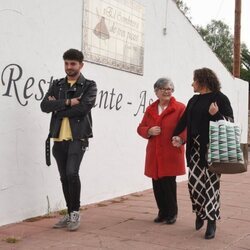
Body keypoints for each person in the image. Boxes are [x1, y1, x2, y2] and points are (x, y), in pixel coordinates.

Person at [172, 68, 234, 239]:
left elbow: (230, 121)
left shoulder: (220, 98)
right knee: (194, 185)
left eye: (194, 80)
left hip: (212, 150)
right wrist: (177, 136)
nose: (192, 83)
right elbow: (185, 121)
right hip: (195, 150)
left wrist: (217, 115)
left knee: (211, 187)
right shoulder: (194, 100)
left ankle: (211, 221)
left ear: (203, 81)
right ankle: (200, 212)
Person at [40, 48, 97, 231]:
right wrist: (67, 102)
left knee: (72, 173)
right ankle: (69, 212)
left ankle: (75, 213)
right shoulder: (57, 84)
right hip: (58, 138)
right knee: (64, 177)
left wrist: (57, 108)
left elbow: (83, 109)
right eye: (66, 63)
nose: (69, 67)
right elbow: (44, 106)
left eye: (73, 63)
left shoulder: (89, 85)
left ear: (81, 65)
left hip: (77, 137)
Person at [137, 78, 186, 225]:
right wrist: (149, 131)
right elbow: (140, 128)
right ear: (156, 91)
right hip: (154, 153)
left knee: (169, 183)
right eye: (164, 89)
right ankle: (162, 212)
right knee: (157, 184)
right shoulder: (150, 109)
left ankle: (172, 213)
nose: (167, 91)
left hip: (171, 151)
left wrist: (181, 139)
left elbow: (186, 127)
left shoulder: (180, 108)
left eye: (170, 89)